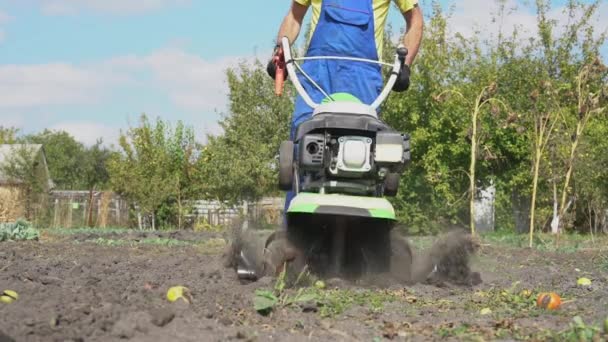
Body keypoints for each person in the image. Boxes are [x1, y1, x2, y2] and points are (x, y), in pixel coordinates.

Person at [267, 0, 424, 223]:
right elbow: (294, 16)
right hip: (317, 73)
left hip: (362, 77)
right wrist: (279, 52)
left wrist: (405, 65)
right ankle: (293, 232)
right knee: (302, 146)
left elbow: (415, 20)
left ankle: (368, 229)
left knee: (369, 151)